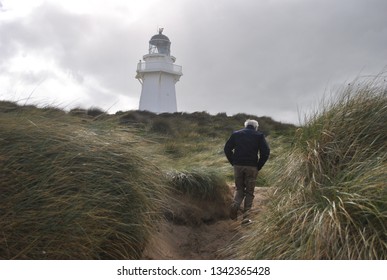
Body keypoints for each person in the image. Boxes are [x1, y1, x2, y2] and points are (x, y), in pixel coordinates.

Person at [224, 119, 270, 223]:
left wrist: (233, 162)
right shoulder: (259, 136)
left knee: (239, 189)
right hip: (252, 167)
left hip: (238, 166)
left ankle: (234, 206)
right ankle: (246, 217)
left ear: (246, 126)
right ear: (256, 127)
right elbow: (266, 152)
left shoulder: (236, 134)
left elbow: (227, 149)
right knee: (249, 192)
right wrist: (259, 166)